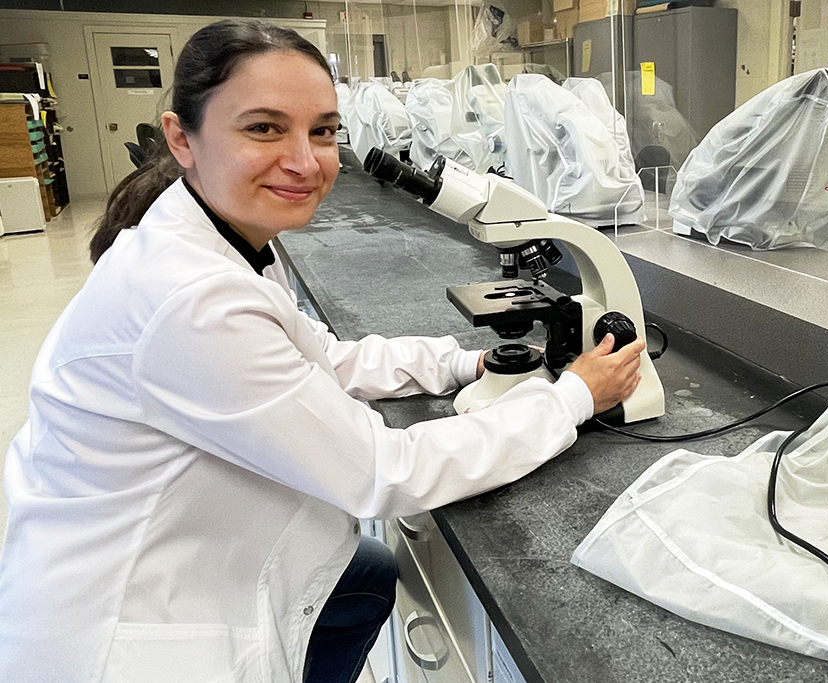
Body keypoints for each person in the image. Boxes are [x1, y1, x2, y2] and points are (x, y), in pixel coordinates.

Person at [0, 19, 645, 683]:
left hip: (178, 554)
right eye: (264, 128)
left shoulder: (224, 236)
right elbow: (386, 471)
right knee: (365, 571)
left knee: (368, 574)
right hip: (129, 635)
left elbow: (320, 359)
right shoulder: (191, 300)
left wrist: (464, 363)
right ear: (181, 138)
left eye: (323, 131)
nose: (306, 162)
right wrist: (573, 397)